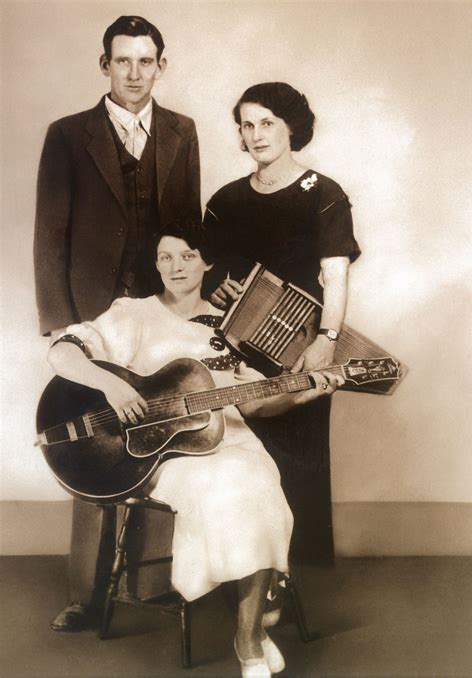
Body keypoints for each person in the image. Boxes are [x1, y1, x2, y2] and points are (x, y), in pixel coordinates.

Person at [47, 219, 342, 677]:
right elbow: (62, 354)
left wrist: (306, 391)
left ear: (207, 262)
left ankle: (247, 637)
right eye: (165, 256)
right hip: (166, 453)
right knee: (228, 489)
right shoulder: (132, 314)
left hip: (231, 441)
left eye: (187, 255)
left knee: (256, 482)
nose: (175, 266)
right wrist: (111, 386)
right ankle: (258, 624)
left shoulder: (226, 328)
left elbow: (258, 403)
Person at [33, 15, 201, 631]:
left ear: (163, 64)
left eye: (146, 61)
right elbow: (50, 232)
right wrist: (59, 324)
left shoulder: (182, 132)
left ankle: (154, 581)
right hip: (92, 307)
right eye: (122, 61)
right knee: (95, 444)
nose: (135, 73)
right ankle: (88, 595)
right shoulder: (68, 135)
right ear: (104, 64)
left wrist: (186, 297)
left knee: (163, 428)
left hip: (158, 308)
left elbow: (186, 229)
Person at [203, 82, 361, 576]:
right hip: (234, 354)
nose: (256, 134)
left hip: (300, 346)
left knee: (298, 458)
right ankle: (245, 573)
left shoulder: (325, 194)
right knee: (240, 459)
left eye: (267, 122)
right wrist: (215, 289)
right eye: (247, 125)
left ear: (292, 126)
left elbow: (335, 273)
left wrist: (326, 342)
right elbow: (206, 273)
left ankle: (294, 581)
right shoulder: (225, 200)